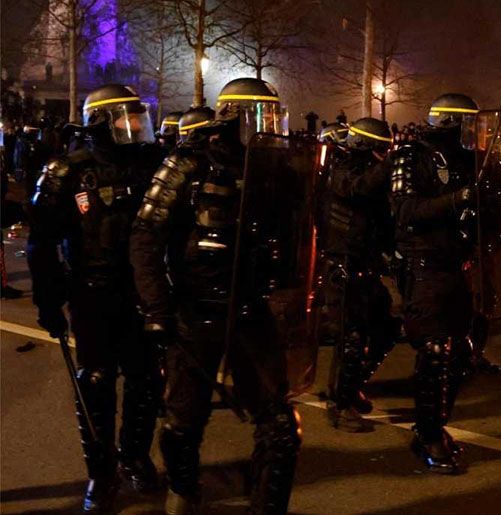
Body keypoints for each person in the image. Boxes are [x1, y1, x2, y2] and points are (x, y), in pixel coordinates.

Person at [130, 78, 301, 513]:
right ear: (232, 118)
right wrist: (157, 307)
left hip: (251, 308)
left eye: (272, 117)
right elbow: (146, 236)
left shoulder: (271, 169)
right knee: (183, 425)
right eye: (259, 117)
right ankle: (183, 491)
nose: (267, 126)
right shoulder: (186, 163)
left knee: (281, 426)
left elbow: (294, 233)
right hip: (195, 311)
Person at [26, 84, 164, 512]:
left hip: (140, 290)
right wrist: (48, 303)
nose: (137, 125)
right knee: (97, 383)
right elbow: (41, 242)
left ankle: (134, 456)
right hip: (92, 293)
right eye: (128, 117)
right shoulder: (67, 171)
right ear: (103, 122)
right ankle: (101, 474)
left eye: (139, 117)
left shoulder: (150, 164)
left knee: (146, 379)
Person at [390, 93, 480, 475]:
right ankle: (427, 435)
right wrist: (457, 198)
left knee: (461, 351)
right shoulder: (412, 156)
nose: (472, 133)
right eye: (467, 124)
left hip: (456, 264)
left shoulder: (466, 160)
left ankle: (436, 423)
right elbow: (406, 210)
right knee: (435, 349)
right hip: (424, 264)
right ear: (449, 122)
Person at [323, 117, 398, 432]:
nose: (384, 155)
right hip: (342, 266)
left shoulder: (373, 172)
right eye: (381, 149)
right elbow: (358, 188)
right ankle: (340, 404)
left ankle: (351, 386)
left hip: (366, 264)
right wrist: (389, 164)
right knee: (351, 337)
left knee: (385, 329)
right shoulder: (340, 167)